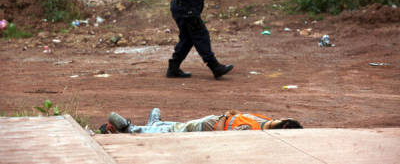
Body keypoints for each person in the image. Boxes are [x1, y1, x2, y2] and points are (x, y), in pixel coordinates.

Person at [100, 108, 303, 134]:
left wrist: (226, 119)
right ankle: (155, 125)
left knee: (179, 131)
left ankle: (133, 129)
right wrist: (229, 114)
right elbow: (238, 114)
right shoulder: (265, 120)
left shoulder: (255, 131)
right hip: (214, 120)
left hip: (210, 128)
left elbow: (228, 133)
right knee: (180, 126)